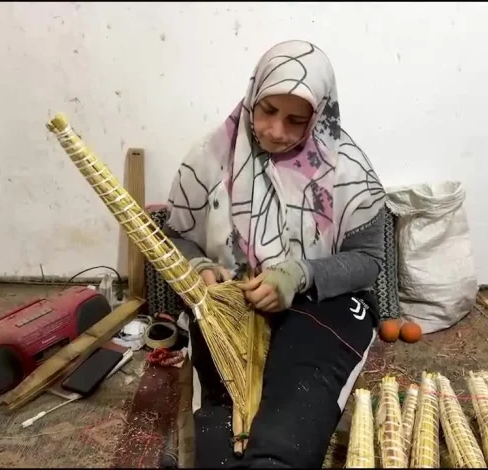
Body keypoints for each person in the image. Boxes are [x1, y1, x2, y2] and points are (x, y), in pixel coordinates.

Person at [163, 39, 388, 468]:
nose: (276, 131)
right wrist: (200, 266)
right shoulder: (210, 158)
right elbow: (175, 237)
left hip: (320, 301)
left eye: (296, 120)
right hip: (232, 302)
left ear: (319, 115)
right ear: (253, 96)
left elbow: (368, 261)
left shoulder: (349, 172)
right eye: (267, 110)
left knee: (300, 394)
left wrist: (297, 274)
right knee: (224, 404)